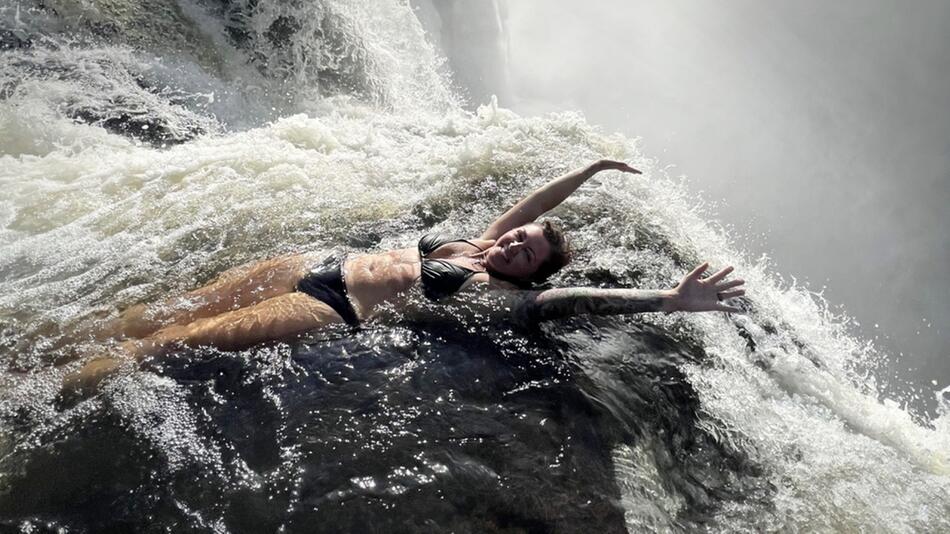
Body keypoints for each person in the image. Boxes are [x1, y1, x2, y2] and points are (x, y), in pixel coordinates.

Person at [64, 160, 745, 393]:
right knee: (154, 312)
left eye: (526, 252)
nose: (513, 242)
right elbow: (539, 203)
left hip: (333, 309)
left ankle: (47, 385)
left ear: (527, 274)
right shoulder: (479, 245)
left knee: (169, 345)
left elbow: (571, 301)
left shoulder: (496, 292)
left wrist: (666, 299)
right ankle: (47, 345)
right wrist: (592, 168)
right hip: (311, 266)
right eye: (517, 237)